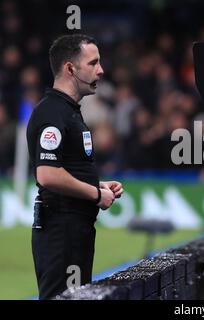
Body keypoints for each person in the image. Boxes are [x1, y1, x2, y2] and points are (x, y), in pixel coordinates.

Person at [26, 34, 124, 299]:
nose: (101, 70)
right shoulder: (52, 112)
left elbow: (64, 167)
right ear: (70, 68)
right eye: (93, 63)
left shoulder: (69, 111)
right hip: (61, 229)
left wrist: (97, 185)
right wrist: (95, 194)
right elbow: (47, 174)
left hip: (74, 228)